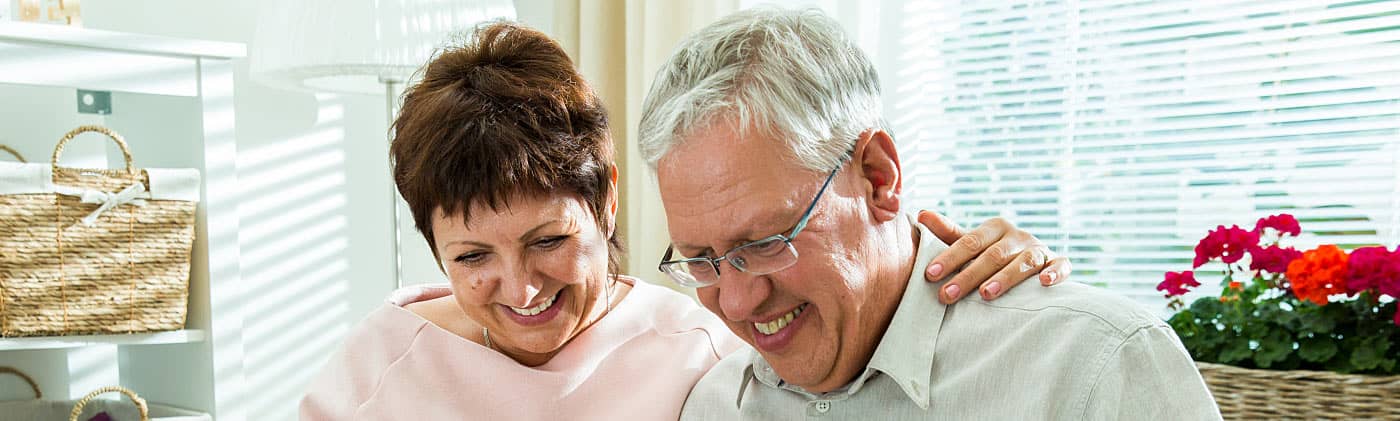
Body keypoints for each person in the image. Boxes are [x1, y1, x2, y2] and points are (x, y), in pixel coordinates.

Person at [300, 21, 1069, 420]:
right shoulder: (383, 356)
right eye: (472, 257)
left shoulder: (706, 345)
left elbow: (854, 299)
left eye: (549, 240)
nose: (519, 286)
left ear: (606, 205)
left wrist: (994, 262)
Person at [638, 8, 1222, 420]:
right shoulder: (713, 404)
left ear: (877, 177)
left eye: (765, 241)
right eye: (703, 259)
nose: (736, 304)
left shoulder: (1093, 364)